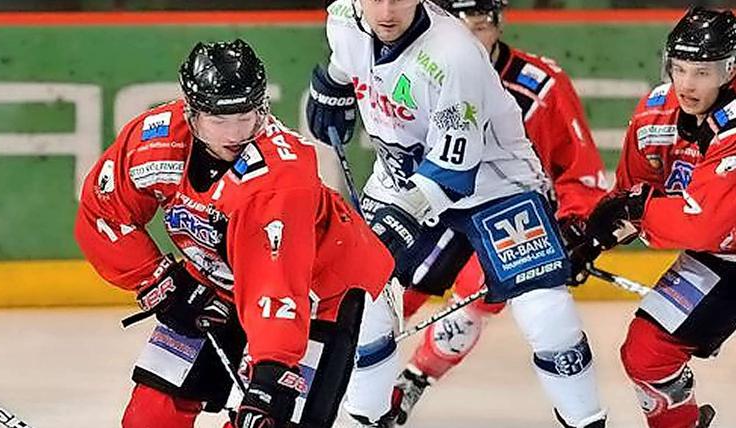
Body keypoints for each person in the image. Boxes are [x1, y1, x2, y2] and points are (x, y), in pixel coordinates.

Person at [308, 0, 606, 426]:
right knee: (363, 297)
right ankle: (364, 418)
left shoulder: (454, 56)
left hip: (494, 184)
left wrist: (398, 221)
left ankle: (586, 419)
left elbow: (451, 174)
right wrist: (334, 83)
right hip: (400, 176)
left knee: (547, 314)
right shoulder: (342, 19)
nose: (387, 11)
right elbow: (346, 55)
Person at [75, 39, 394, 428]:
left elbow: (276, 281)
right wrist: (157, 280)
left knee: (270, 420)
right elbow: (104, 211)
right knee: (150, 416)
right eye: (219, 119)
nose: (235, 133)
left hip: (316, 292)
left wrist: (271, 370)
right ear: (191, 113)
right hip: (213, 280)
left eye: (245, 117)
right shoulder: (154, 140)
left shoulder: (281, 177)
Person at [575, 7, 736, 428]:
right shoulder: (656, 113)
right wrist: (590, 239)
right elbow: (631, 192)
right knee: (647, 353)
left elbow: (701, 224)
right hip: (726, 259)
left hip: (721, 243)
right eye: (679, 69)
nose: (686, 84)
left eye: (702, 72)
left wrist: (636, 210)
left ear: (729, 68)